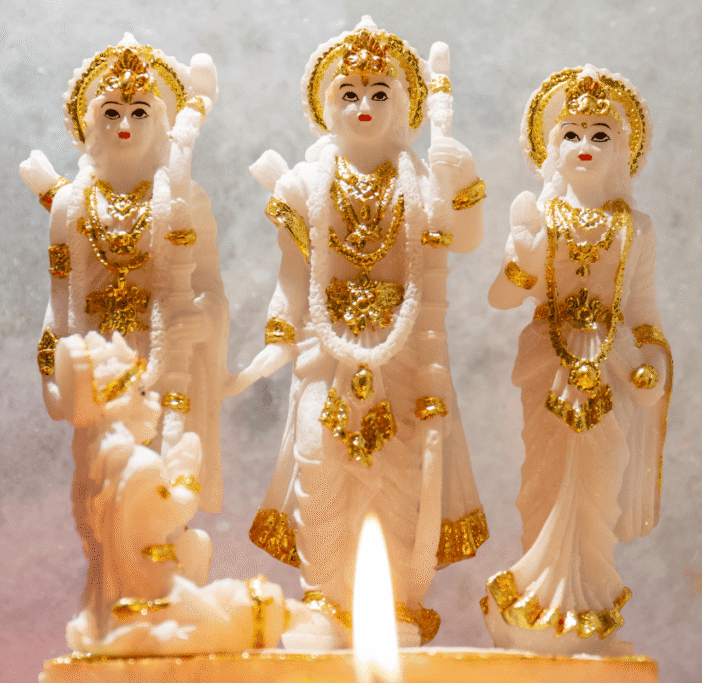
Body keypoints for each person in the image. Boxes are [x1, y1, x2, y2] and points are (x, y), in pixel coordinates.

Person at [21, 36, 287, 656]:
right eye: (112, 111)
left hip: (170, 364)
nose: (125, 124)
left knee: (165, 487)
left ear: (164, 122)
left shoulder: (184, 200)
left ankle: (162, 597)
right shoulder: (71, 204)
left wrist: (202, 324)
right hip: (99, 365)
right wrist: (56, 369)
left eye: (140, 111)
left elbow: (211, 290)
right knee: (101, 490)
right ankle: (109, 606)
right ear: (89, 123)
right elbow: (60, 303)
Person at [237, 16, 489, 648]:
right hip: (325, 351)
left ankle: (398, 601)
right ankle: (324, 600)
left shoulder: (422, 180)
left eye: (380, 93)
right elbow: (292, 277)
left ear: (404, 104)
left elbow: (464, 237)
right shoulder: (304, 184)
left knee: (402, 468)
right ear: (327, 107)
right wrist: (277, 339)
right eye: (348, 94)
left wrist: (463, 180)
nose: (364, 106)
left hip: (406, 354)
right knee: (321, 464)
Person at [483, 65, 672, 656]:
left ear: (621, 149)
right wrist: (523, 262)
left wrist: (654, 362)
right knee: (545, 479)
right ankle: (538, 600)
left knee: (598, 485)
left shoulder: (636, 229)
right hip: (550, 364)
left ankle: (587, 604)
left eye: (600, 134)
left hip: (611, 369)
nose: (584, 145)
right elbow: (501, 298)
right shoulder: (537, 216)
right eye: (571, 133)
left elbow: (643, 313)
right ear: (551, 148)